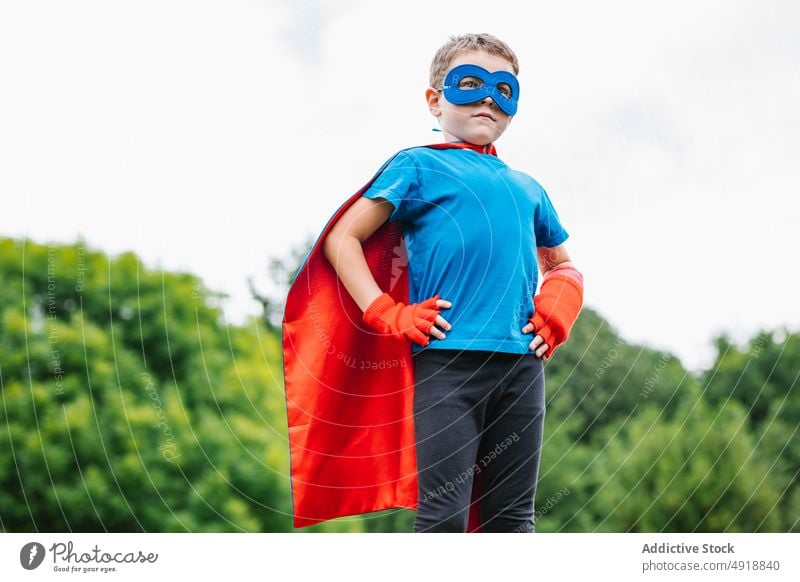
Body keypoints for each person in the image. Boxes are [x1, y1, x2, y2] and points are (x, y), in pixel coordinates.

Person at [282, 32, 583, 533]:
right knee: (442, 518)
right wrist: (385, 310)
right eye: (470, 83)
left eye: (503, 89)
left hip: (523, 369)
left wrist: (561, 300)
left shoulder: (529, 188)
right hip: (446, 364)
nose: (488, 98)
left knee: (513, 520)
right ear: (435, 99)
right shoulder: (418, 165)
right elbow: (342, 240)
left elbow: (562, 264)